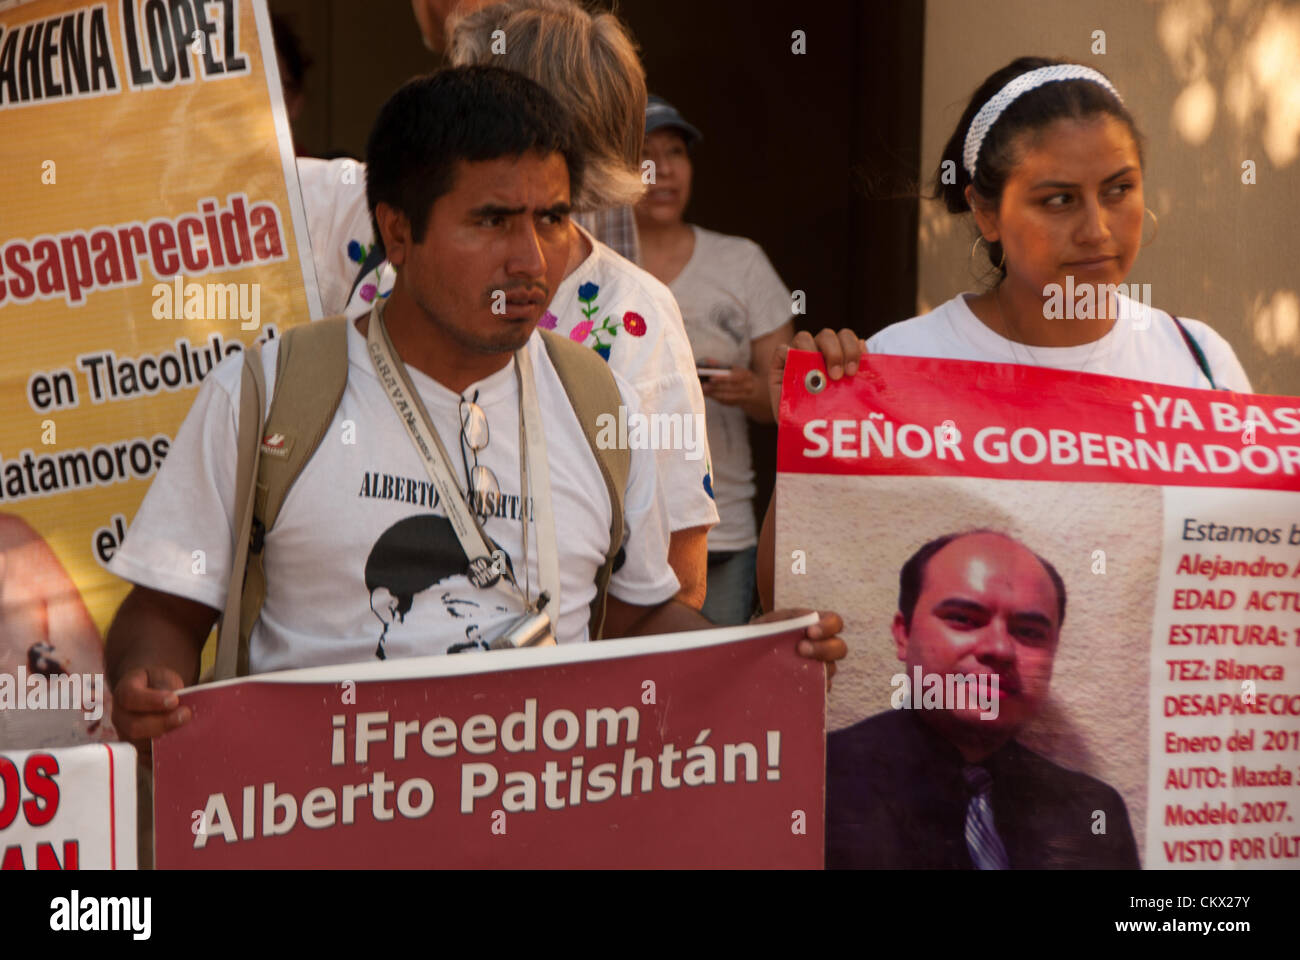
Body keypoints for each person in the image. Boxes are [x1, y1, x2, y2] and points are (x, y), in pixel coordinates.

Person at [104, 67, 844, 743]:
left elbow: (638, 615)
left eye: (552, 219)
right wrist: (149, 683)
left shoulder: (599, 406)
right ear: (398, 231)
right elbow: (165, 610)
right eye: (492, 221)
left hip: (544, 825)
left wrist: (759, 652)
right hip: (313, 824)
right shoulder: (267, 394)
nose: (531, 260)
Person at [757, 55, 1258, 610]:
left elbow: (1250, 570)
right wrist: (808, 443)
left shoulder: (1200, 361)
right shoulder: (894, 368)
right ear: (985, 213)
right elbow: (793, 596)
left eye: (1118, 189)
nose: (1097, 229)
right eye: (1059, 200)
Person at [299, 0, 717, 610]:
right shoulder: (357, 213)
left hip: (544, 701)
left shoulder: (636, 315)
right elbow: (203, 180)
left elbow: (678, 579)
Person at [826, 530, 1140, 869]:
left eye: (1030, 632)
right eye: (963, 619)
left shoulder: (1093, 812)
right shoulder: (814, 782)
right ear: (904, 635)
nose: (1000, 649)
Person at [634, 96, 794, 625]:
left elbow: (788, 402)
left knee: (709, 693)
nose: (664, 170)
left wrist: (750, 391)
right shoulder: (593, 268)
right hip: (617, 529)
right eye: (644, 154)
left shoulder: (740, 261)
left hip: (719, 528)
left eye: (676, 151)